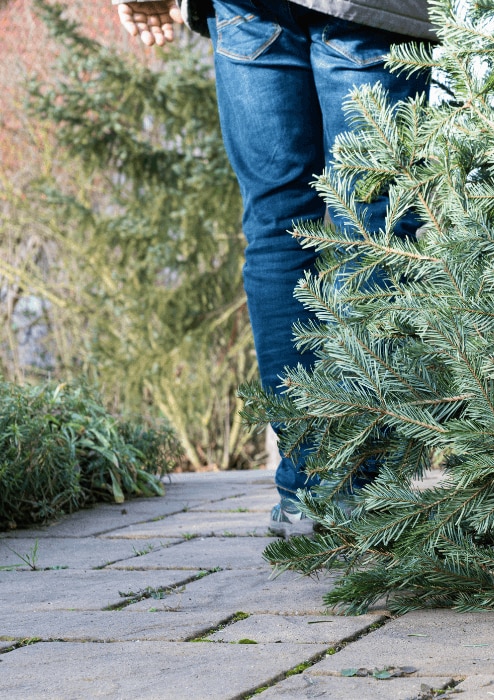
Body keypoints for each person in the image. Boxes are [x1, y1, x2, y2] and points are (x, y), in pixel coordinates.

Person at [112, 0, 432, 536]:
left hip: (250, 8)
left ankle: (309, 488)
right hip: (371, 10)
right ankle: (360, 486)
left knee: (276, 227)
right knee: (376, 223)